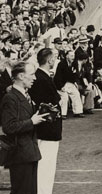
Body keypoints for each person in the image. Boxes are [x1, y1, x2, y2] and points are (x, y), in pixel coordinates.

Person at [1, 61, 48, 194]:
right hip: (20, 154)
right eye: (32, 74)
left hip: (29, 153)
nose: (35, 78)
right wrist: (32, 122)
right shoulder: (10, 98)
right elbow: (8, 127)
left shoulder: (24, 95)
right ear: (21, 76)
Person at [29, 48, 62, 194]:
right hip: (48, 128)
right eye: (54, 57)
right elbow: (51, 101)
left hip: (45, 128)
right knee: (46, 164)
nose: (55, 60)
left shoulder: (40, 77)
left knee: (45, 163)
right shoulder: (42, 78)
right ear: (50, 60)